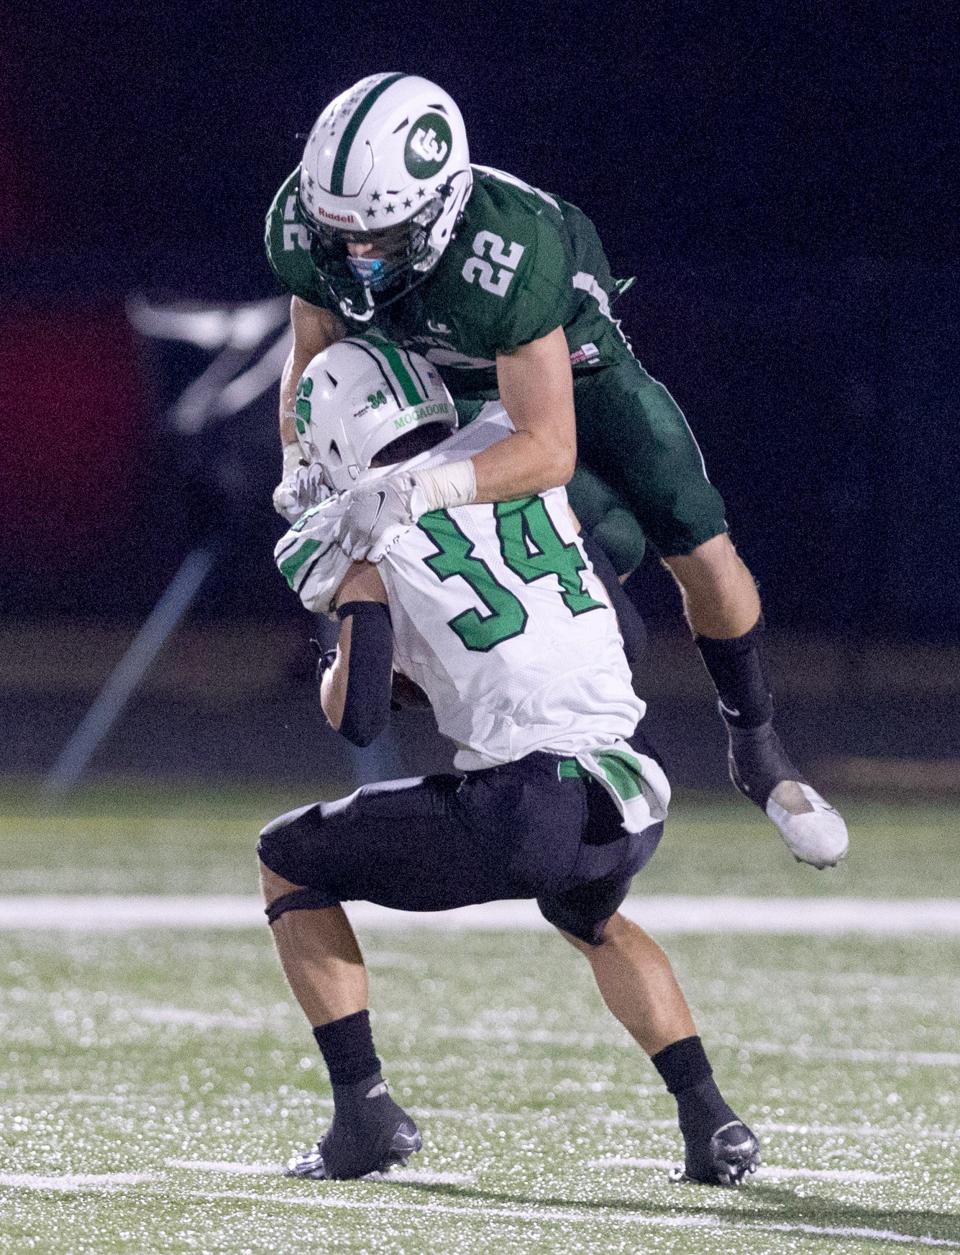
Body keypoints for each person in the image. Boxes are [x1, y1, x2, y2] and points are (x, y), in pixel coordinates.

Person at [263, 72, 849, 872]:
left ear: (441, 207)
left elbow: (548, 446)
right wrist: (301, 457)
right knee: (534, 552)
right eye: (343, 238)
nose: (358, 257)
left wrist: (422, 485)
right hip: (450, 388)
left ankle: (756, 746)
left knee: (700, 545)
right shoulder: (308, 229)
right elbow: (313, 343)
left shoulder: (511, 252)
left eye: (383, 236)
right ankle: (504, 711)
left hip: (575, 369)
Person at [258, 335, 761, 1187]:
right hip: (632, 783)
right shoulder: (509, 448)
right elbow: (625, 631)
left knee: (286, 858)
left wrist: (350, 633)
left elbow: (362, 714)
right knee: (590, 916)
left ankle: (364, 1114)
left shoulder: (351, 523)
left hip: (527, 803)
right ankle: (711, 1119)